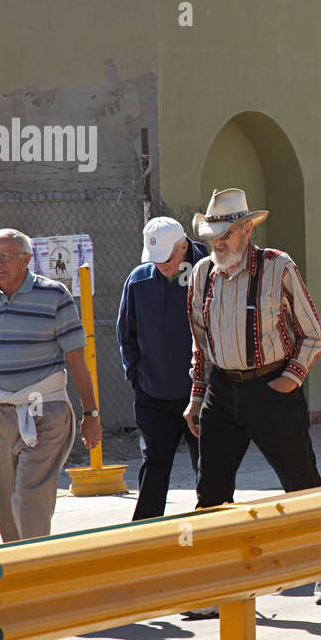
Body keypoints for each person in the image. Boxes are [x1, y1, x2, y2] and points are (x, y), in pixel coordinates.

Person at [181, 188, 321, 609]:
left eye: (227, 232)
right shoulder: (201, 274)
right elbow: (200, 343)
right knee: (211, 491)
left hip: (272, 388)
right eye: (212, 233)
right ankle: (216, 585)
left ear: (247, 229)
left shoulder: (278, 266)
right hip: (222, 391)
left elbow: (314, 334)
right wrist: (197, 397)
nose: (218, 241)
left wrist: (289, 380)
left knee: (301, 483)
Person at [0, 229, 102, 543]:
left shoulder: (55, 296)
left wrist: (91, 413)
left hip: (46, 413)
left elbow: (76, 359)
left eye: (5, 256)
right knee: (5, 501)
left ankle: (35, 567)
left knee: (29, 496)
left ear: (26, 259)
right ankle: (17, 568)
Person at [117, 217, 207, 520]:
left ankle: (212, 528)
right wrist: (137, 377)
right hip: (153, 394)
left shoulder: (208, 274)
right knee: (154, 464)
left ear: (183, 247)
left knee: (208, 467)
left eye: (167, 259)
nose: (161, 266)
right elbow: (125, 334)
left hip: (201, 393)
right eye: (155, 260)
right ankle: (144, 534)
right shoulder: (139, 280)